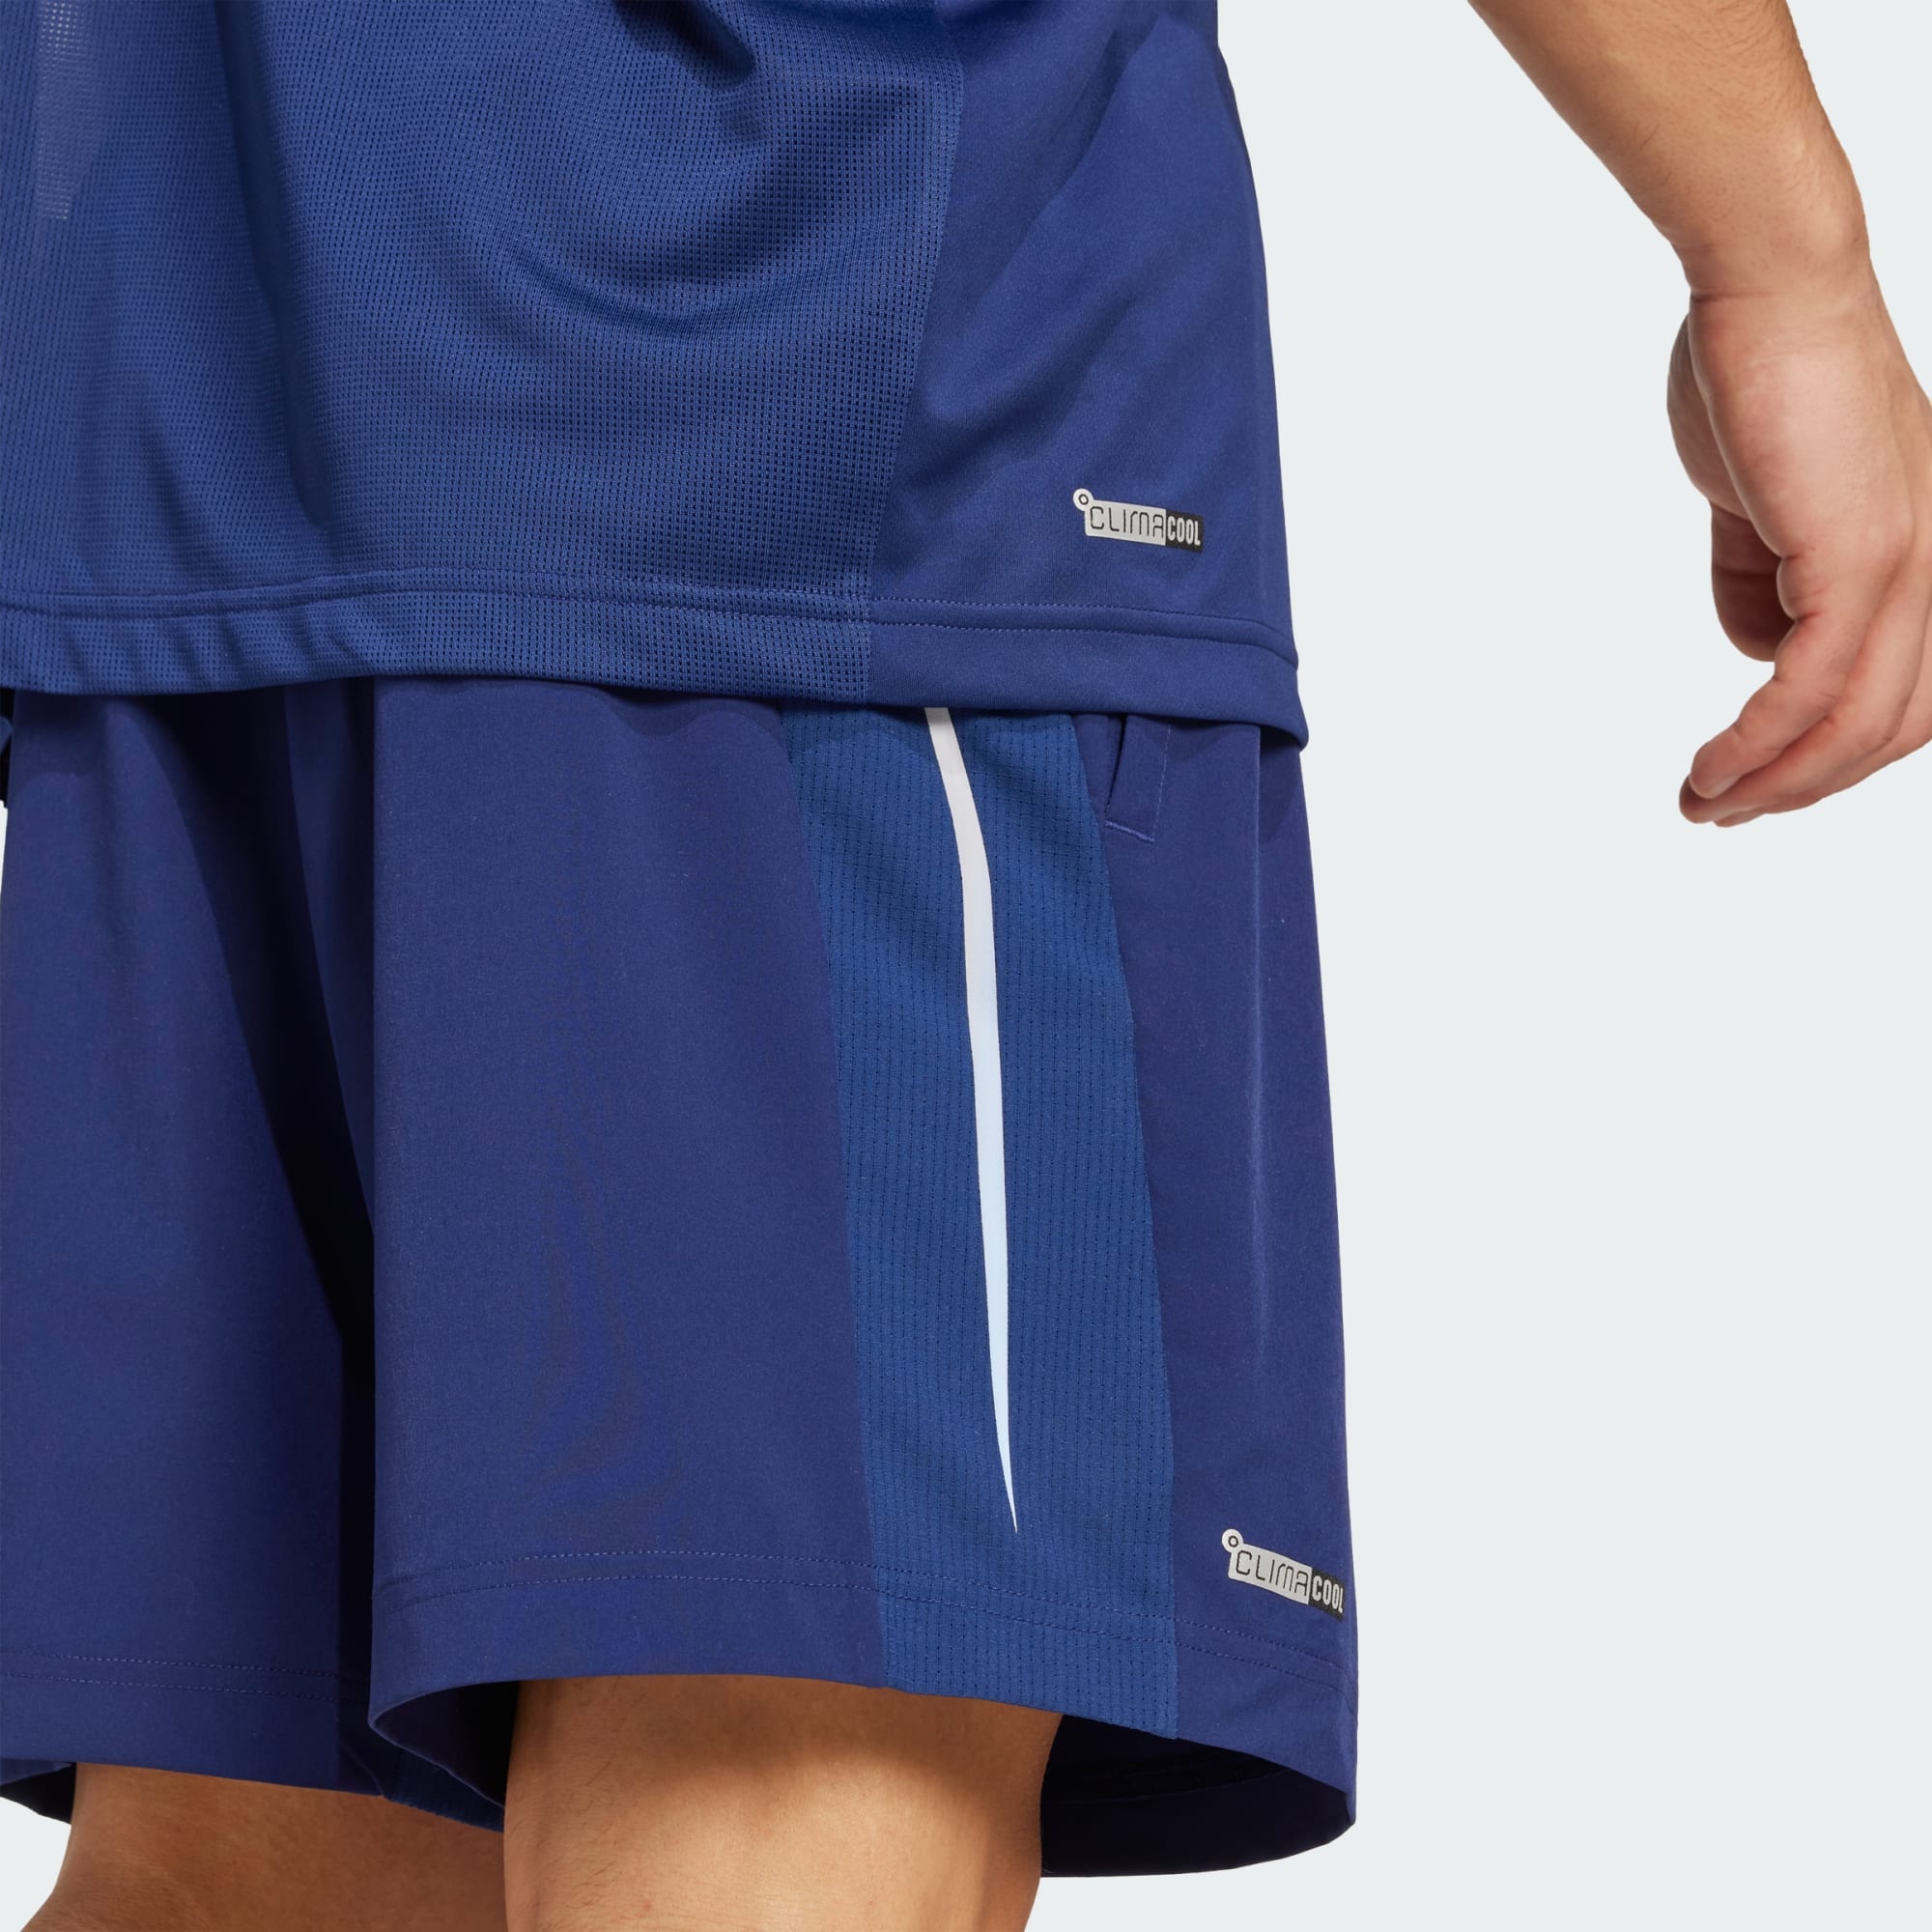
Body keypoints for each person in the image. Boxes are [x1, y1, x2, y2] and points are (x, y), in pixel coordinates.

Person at [0, 1, 1924, 1926]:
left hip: (175, 399)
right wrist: (1784, 259)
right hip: (811, 403)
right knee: (793, 1736)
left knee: (260, 1868)